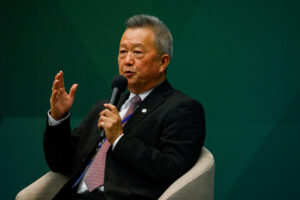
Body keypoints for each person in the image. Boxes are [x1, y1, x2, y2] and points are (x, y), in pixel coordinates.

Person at [44, 14, 206, 200]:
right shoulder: (104, 107)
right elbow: (61, 163)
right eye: (122, 52)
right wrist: (58, 118)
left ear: (163, 62)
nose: (127, 61)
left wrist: (119, 139)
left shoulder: (182, 108)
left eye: (137, 52)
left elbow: (171, 170)